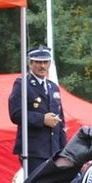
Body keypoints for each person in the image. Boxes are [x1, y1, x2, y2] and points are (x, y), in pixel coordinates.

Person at [9, 45, 66, 174]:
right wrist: (42, 119)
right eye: (38, 62)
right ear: (30, 63)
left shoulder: (53, 87)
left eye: (45, 62)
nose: (42, 66)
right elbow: (16, 114)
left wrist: (63, 150)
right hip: (34, 150)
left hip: (54, 150)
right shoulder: (23, 84)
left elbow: (61, 121)